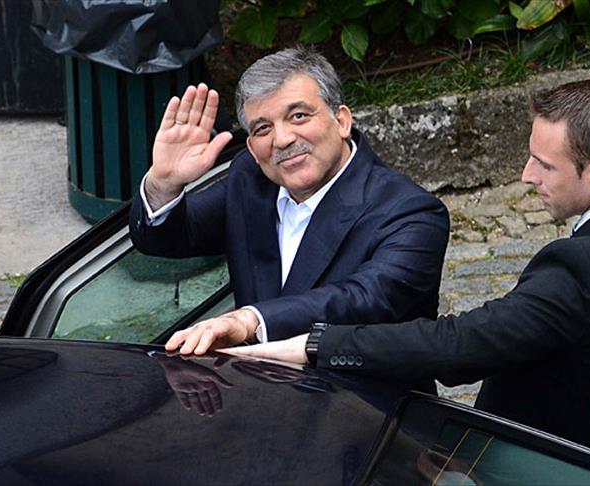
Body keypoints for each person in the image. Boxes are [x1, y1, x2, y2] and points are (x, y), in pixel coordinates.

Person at [229, 78, 590, 482]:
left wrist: (316, 346)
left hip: (588, 462)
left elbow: (461, 344)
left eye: (543, 164)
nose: (527, 176)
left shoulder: (584, 267)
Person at [130, 47, 449, 356]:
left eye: (298, 116)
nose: (282, 140)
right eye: (263, 128)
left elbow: (365, 299)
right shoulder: (249, 179)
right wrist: (165, 182)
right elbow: (164, 239)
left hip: (358, 389)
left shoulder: (411, 212)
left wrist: (250, 321)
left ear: (341, 121)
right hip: (255, 385)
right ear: (252, 149)